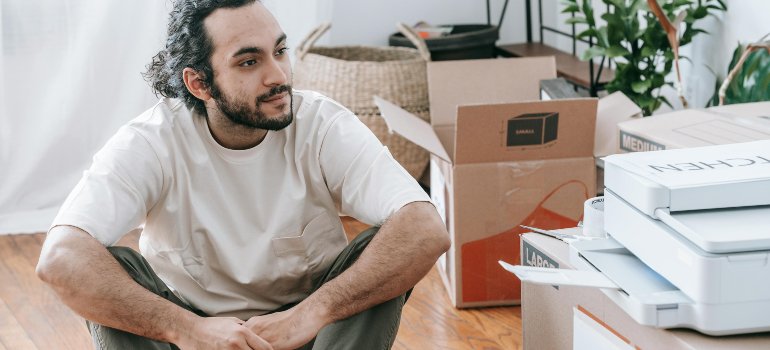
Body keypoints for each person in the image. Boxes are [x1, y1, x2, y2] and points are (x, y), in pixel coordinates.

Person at [35, 0, 450, 349]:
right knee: (110, 268)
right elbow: (61, 258)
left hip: (314, 334)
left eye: (280, 51)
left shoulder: (322, 124)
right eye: (250, 61)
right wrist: (189, 329)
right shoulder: (151, 141)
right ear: (200, 84)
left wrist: (311, 313)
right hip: (194, 337)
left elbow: (425, 228)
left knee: (384, 247)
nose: (279, 76)